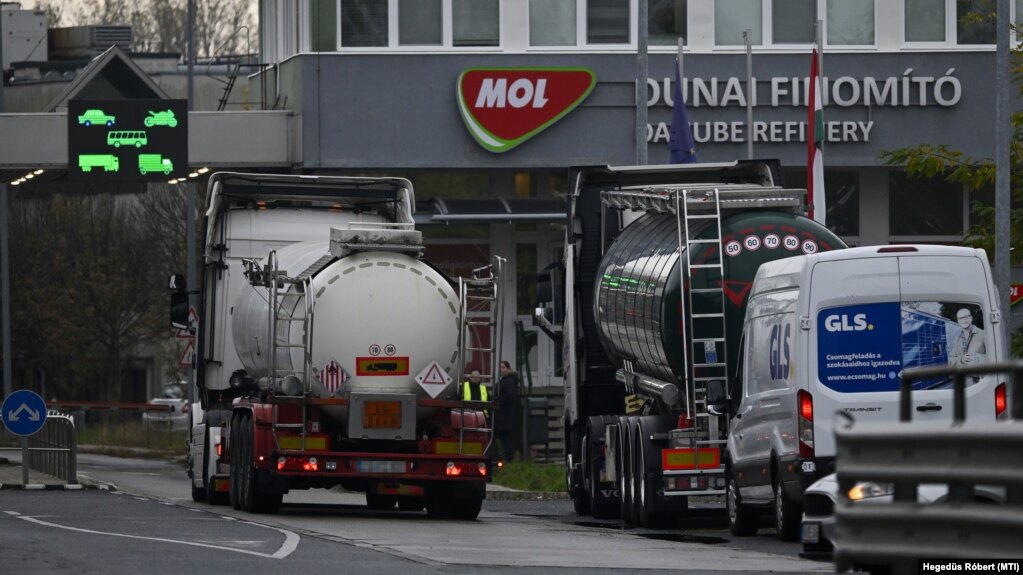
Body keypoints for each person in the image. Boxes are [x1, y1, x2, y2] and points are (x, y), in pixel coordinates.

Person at [495, 360, 523, 462]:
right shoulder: (503, 380)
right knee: (503, 437)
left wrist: (499, 402)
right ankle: (506, 458)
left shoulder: (509, 381)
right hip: (502, 414)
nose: (501, 370)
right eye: (500, 367)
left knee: (505, 437)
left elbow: (509, 397)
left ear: (508, 369)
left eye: (503, 367)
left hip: (505, 414)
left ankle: (509, 458)